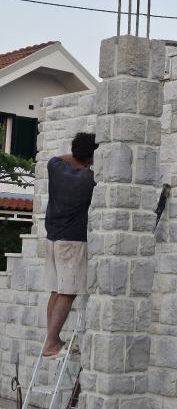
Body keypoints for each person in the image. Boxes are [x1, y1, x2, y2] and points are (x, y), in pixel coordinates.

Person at [42, 132, 97, 358]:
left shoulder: (55, 167)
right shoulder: (88, 180)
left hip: (52, 239)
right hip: (72, 242)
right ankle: (51, 344)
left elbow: (59, 158)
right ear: (91, 157)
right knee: (67, 293)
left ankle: (51, 339)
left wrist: (77, 156)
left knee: (56, 290)